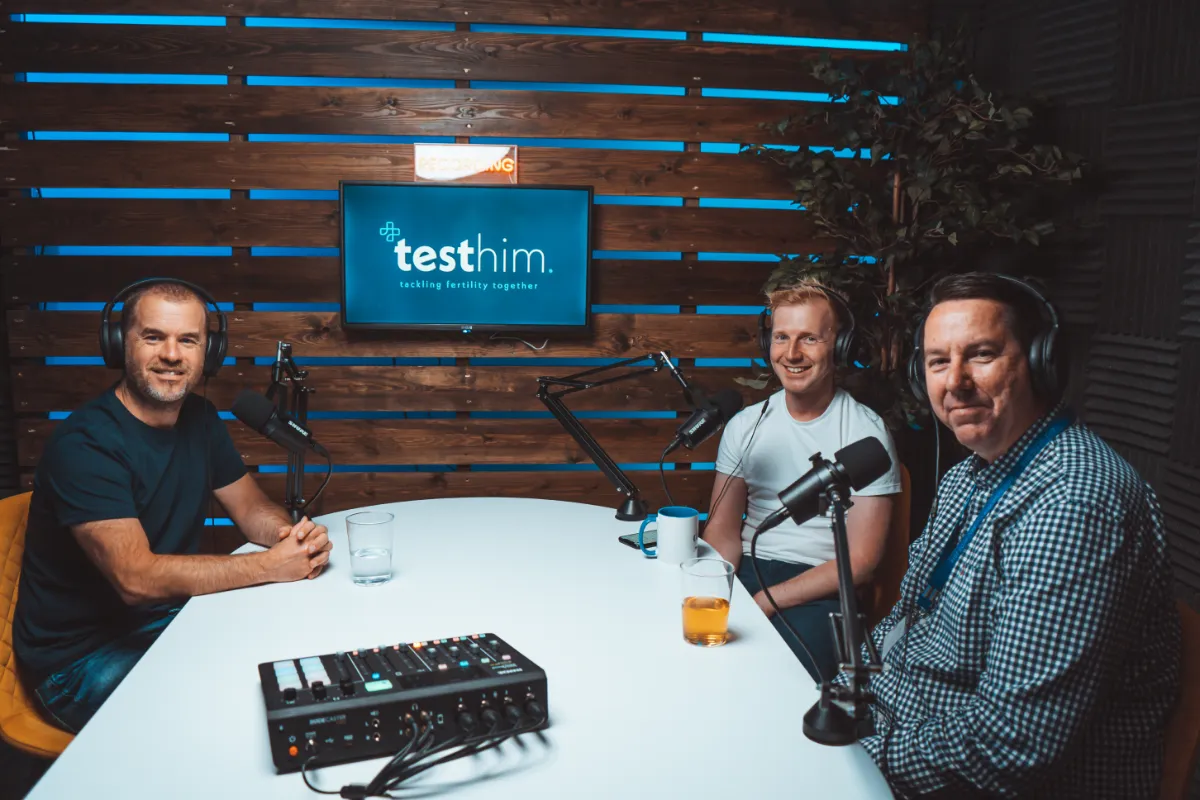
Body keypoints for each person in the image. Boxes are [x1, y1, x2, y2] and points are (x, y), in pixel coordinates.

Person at [857, 272, 1181, 798]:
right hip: (907, 734)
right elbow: (910, 616)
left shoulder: (1074, 503)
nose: (955, 381)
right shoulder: (971, 474)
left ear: (1040, 362)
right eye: (938, 361)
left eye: (981, 354)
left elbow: (1008, 746)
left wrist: (853, 762)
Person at [13, 278, 334, 734]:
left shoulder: (200, 419)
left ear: (210, 352)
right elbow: (136, 579)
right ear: (118, 343)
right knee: (234, 713)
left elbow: (250, 509)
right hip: (78, 663)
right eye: (153, 337)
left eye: (188, 340)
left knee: (286, 660)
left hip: (162, 624)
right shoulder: (85, 444)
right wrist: (269, 567)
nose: (171, 355)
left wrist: (289, 539)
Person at [702, 280, 902, 682]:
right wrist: (717, 590)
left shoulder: (867, 434)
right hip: (749, 569)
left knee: (777, 677)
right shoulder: (746, 425)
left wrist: (767, 601)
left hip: (824, 585)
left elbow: (861, 562)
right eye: (781, 338)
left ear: (840, 347)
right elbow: (722, 533)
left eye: (809, 338)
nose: (792, 354)